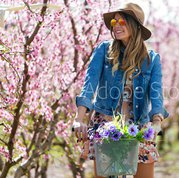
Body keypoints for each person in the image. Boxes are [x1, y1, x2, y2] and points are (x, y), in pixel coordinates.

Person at [72, 3, 169, 178]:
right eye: (114, 21)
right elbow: (89, 84)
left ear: (135, 25)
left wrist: (156, 121)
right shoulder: (104, 50)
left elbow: (156, 93)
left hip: (139, 127)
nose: (116, 25)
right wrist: (79, 118)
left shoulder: (151, 59)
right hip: (106, 124)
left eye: (121, 21)